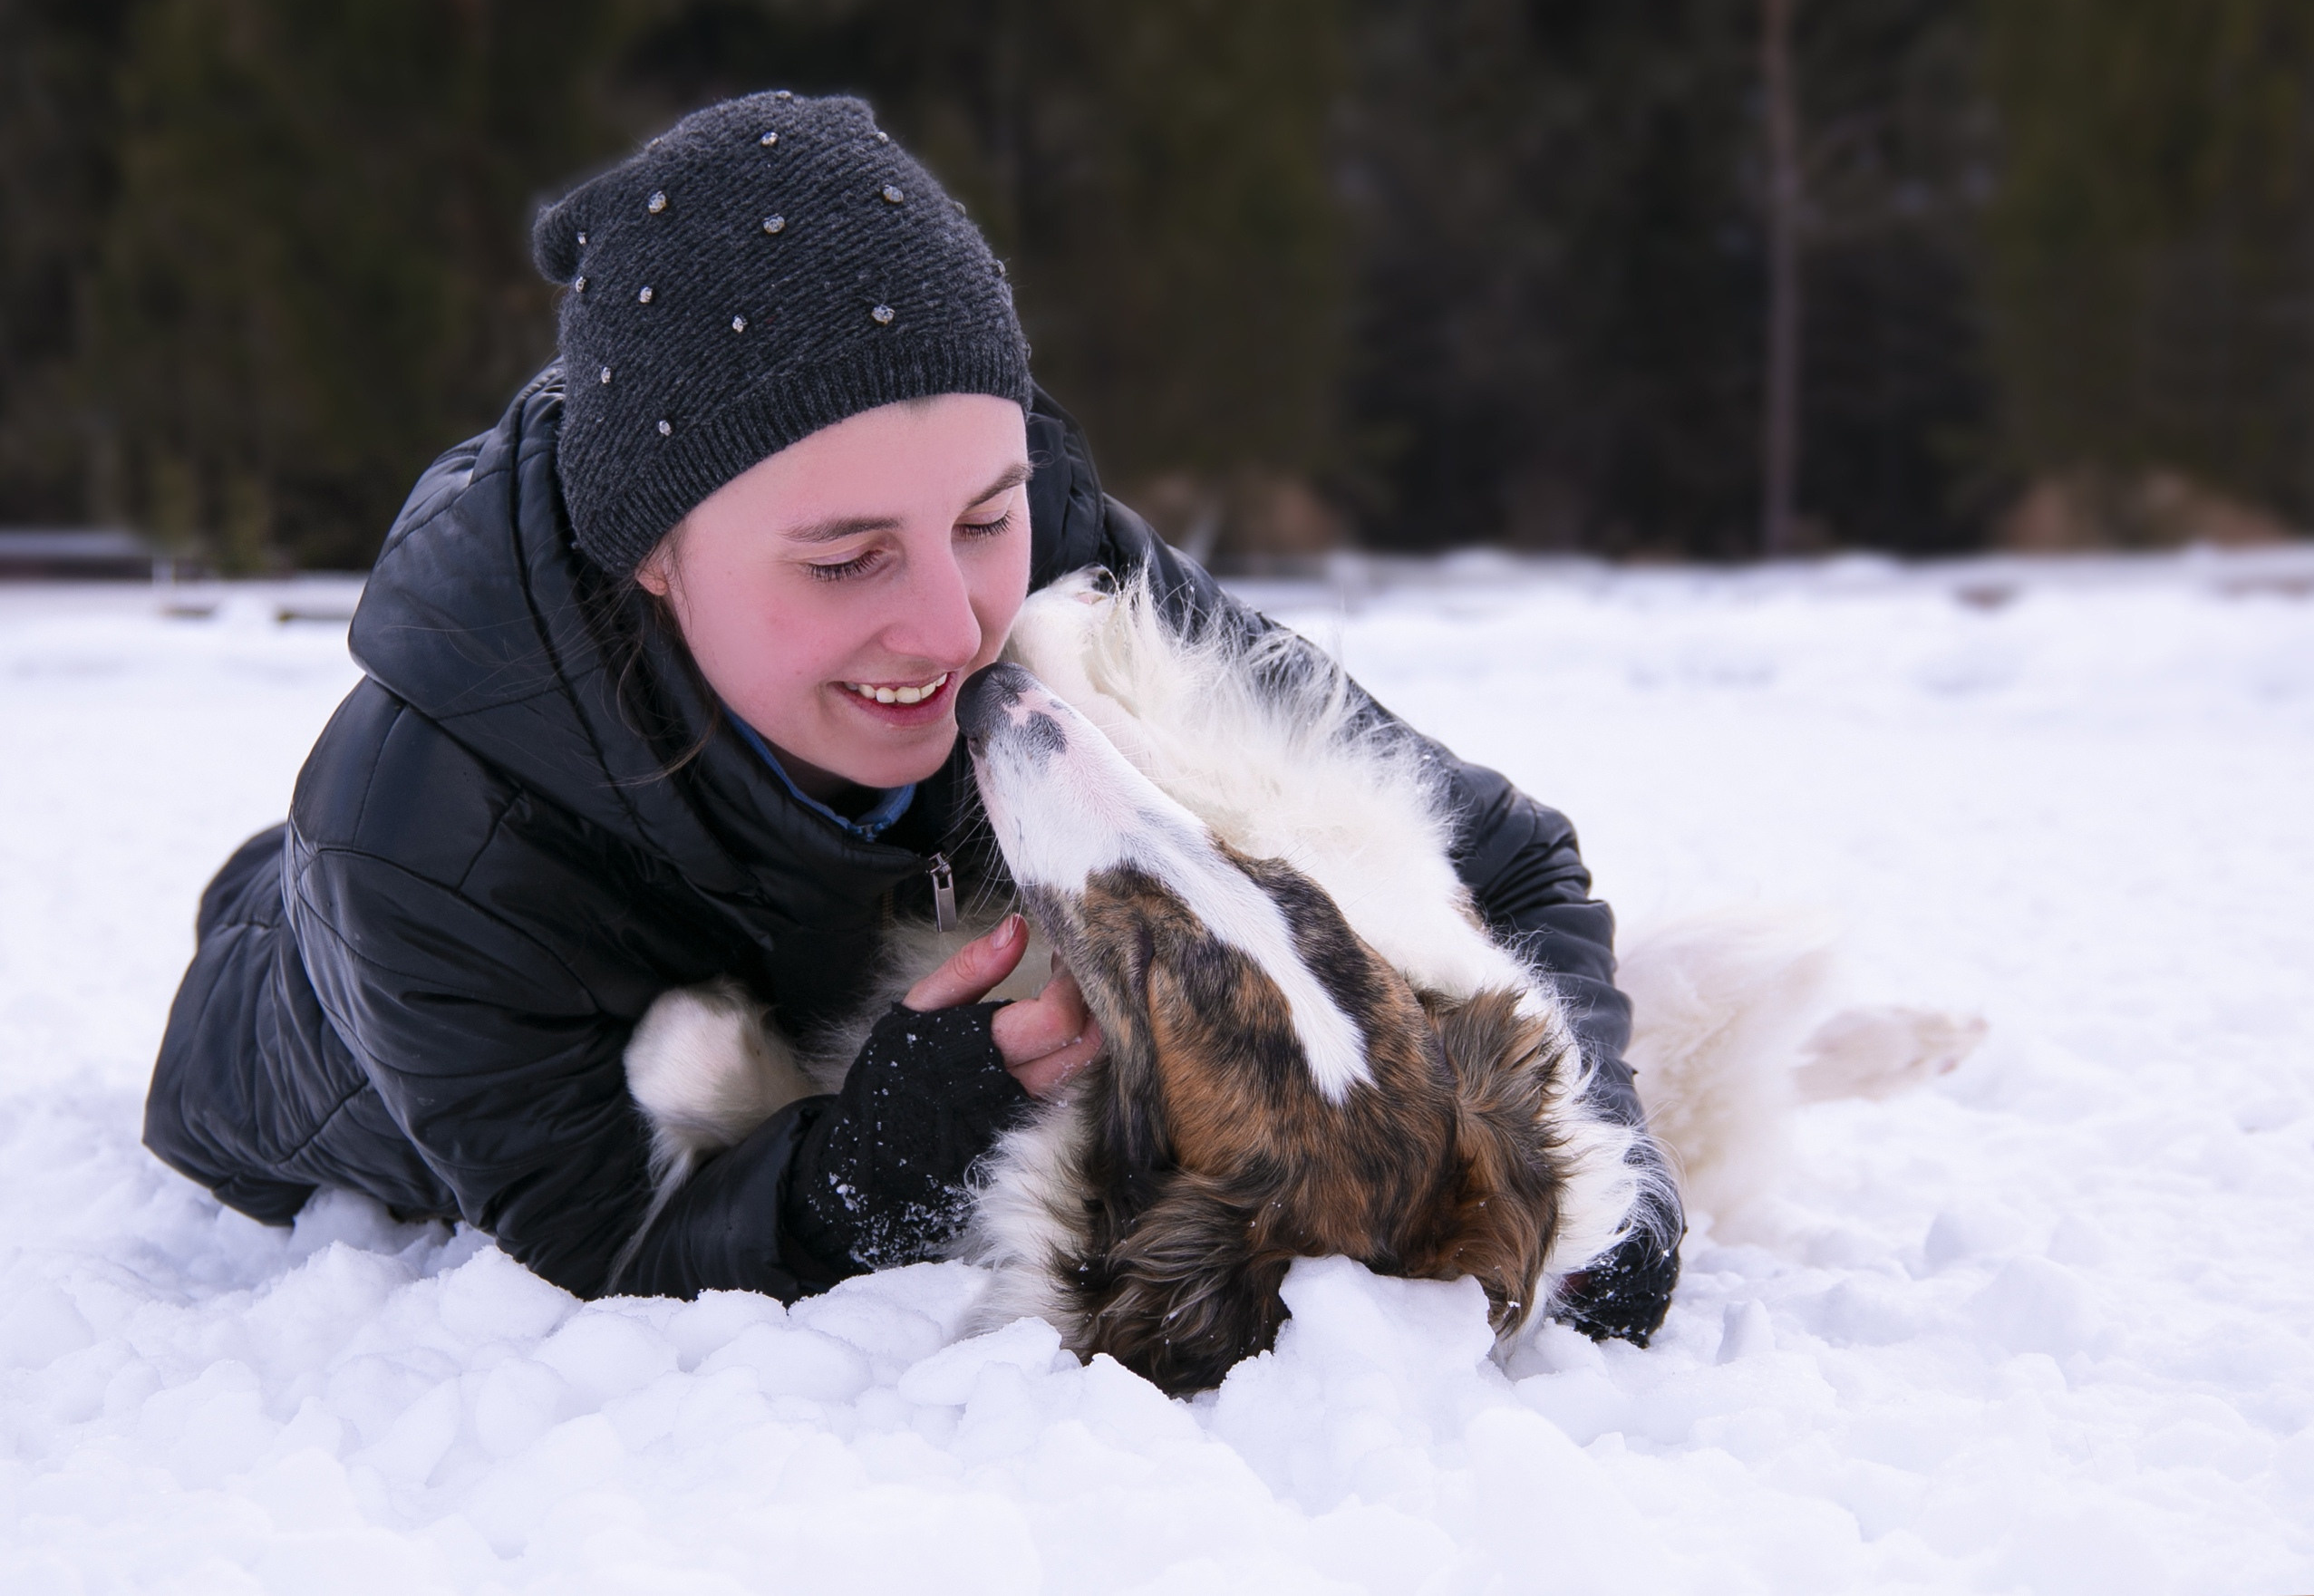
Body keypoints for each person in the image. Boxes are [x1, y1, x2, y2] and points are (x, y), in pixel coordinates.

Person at [143, 92, 1680, 1342]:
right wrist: (863, 1165)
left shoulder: (1069, 572)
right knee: (274, 916)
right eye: (844, 557)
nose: (960, 634)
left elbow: (1510, 860)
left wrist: (1603, 1178)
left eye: (985, 515)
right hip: (306, 1019)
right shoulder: (425, 838)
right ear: (654, 559)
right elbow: (607, 1238)